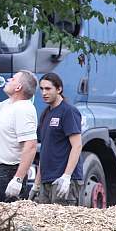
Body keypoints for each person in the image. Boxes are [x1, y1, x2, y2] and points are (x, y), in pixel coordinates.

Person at [0, 70, 39, 202]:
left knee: (7, 219)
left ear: (18, 87)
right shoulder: (8, 104)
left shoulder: (23, 109)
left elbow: (31, 146)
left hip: (8, 173)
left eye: (13, 79)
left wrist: (18, 179)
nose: (8, 79)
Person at [32, 73, 84, 205]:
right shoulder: (45, 114)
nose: (44, 93)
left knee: (62, 224)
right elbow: (45, 150)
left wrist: (66, 177)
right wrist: (36, 183)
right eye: (42, 89)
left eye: (48, 89)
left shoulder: (68, 111)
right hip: (46, 180)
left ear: (59, 89)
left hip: (64, 180)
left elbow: (77, 146)